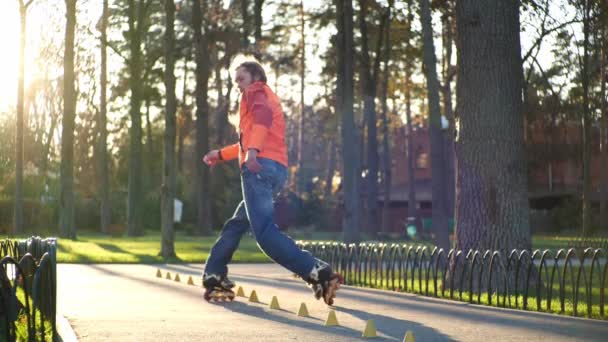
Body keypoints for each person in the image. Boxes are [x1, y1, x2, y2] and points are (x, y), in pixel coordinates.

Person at [201, 61, 342, 304]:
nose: (238, 84)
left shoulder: (255, 91)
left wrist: (253, 152)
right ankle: (214, 274)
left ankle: (317, 270)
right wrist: (221, 154)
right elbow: (251, 139)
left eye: (241, 78)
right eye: (236, 80)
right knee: (237, 223)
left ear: (256, 76)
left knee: (265, 234)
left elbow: (260, 125)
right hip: (275, 169)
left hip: (258, 168)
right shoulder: (266, 97)